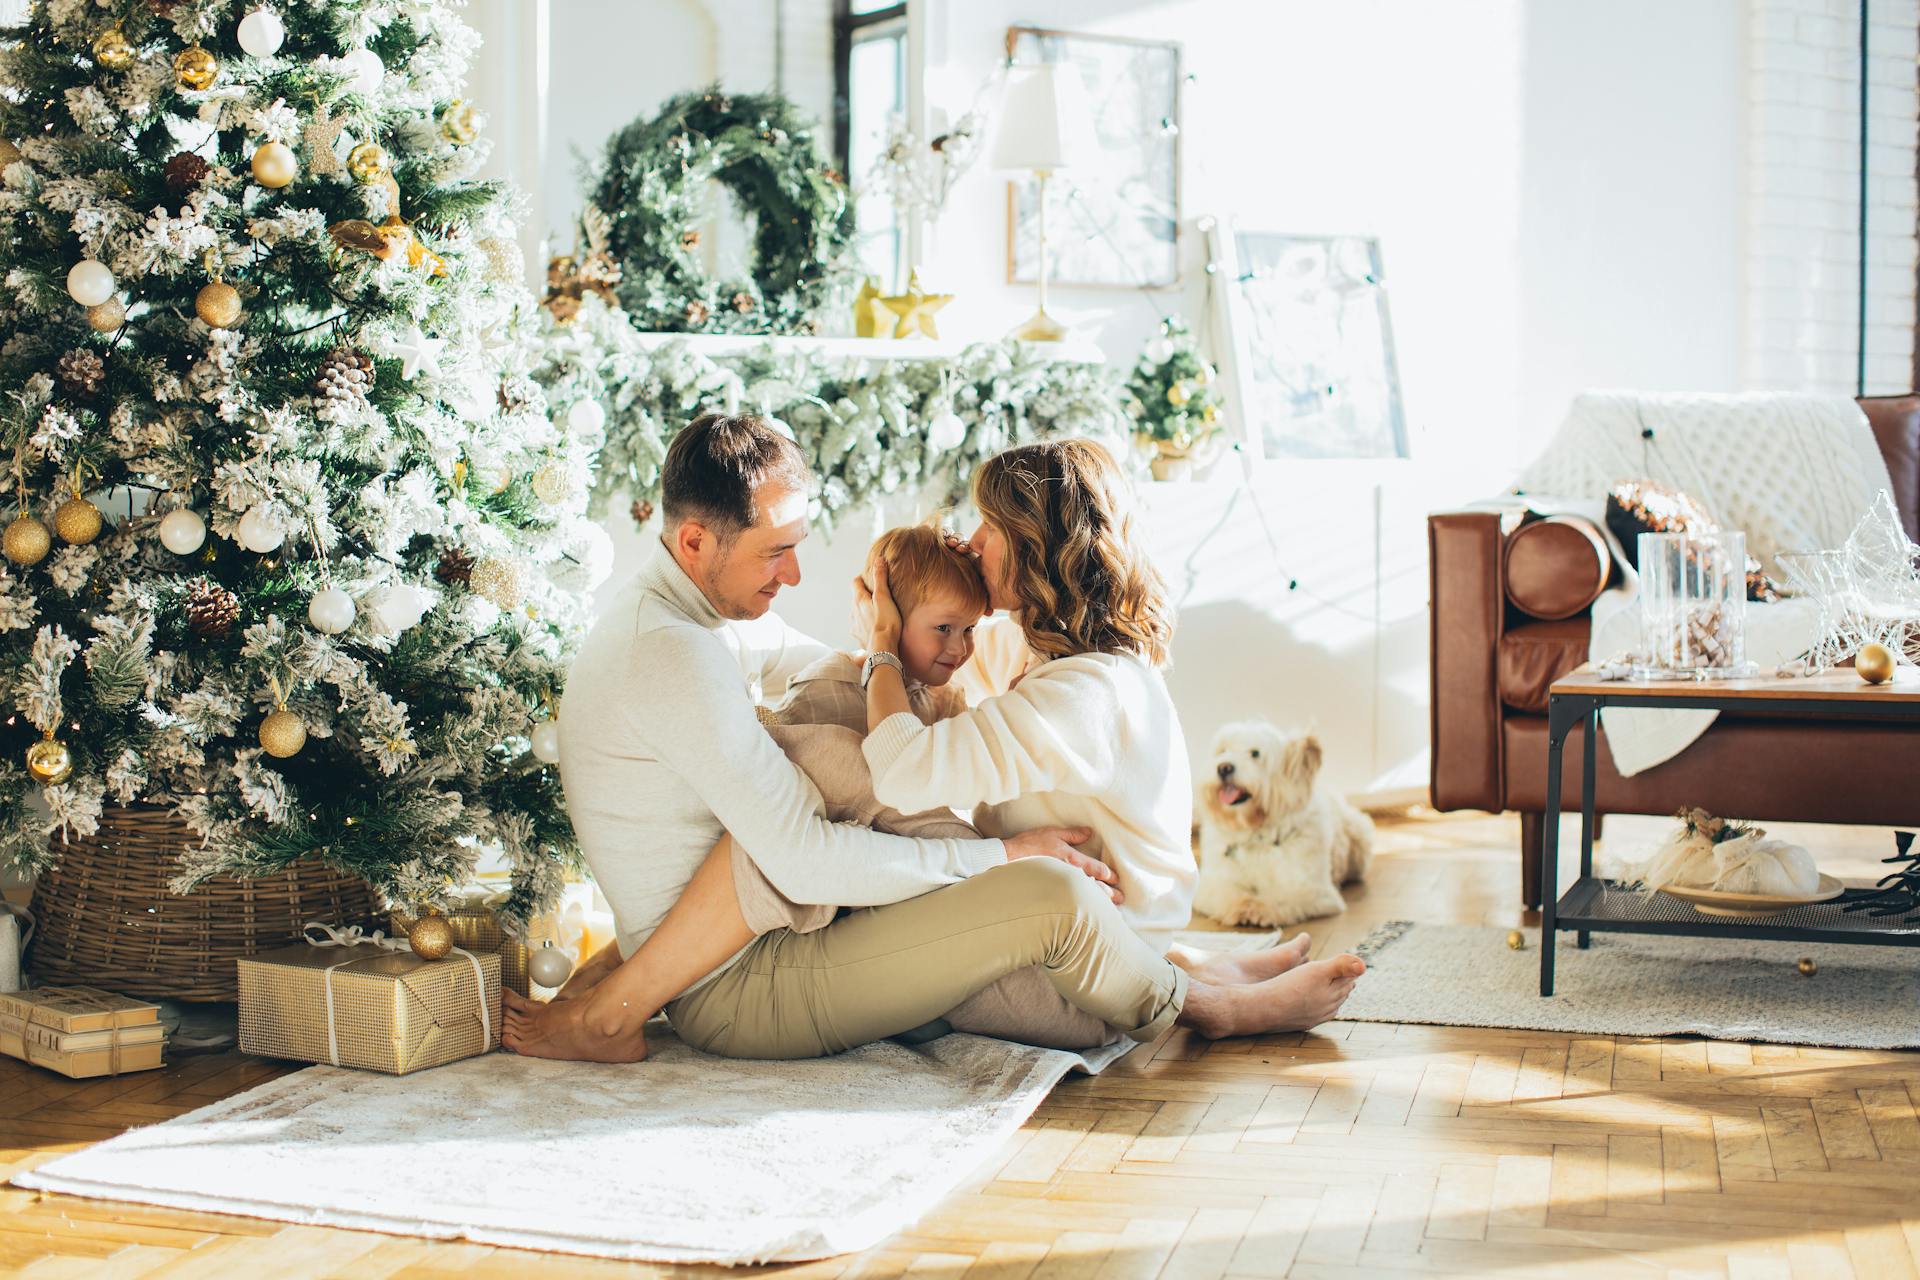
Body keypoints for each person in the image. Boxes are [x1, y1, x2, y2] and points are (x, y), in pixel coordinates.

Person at [503, 415, 1365, 1062]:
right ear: (695, 540)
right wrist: (998, 856)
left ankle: (1183, 970)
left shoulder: (689, 621)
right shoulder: (674, 654)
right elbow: (808, 854)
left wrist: (891, 648)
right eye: (777, 554)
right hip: (739, 978)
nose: (795, 575)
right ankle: (1206, 1001)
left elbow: (835, 672)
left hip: (785, 935)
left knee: (843, 734)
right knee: (1033, 888)